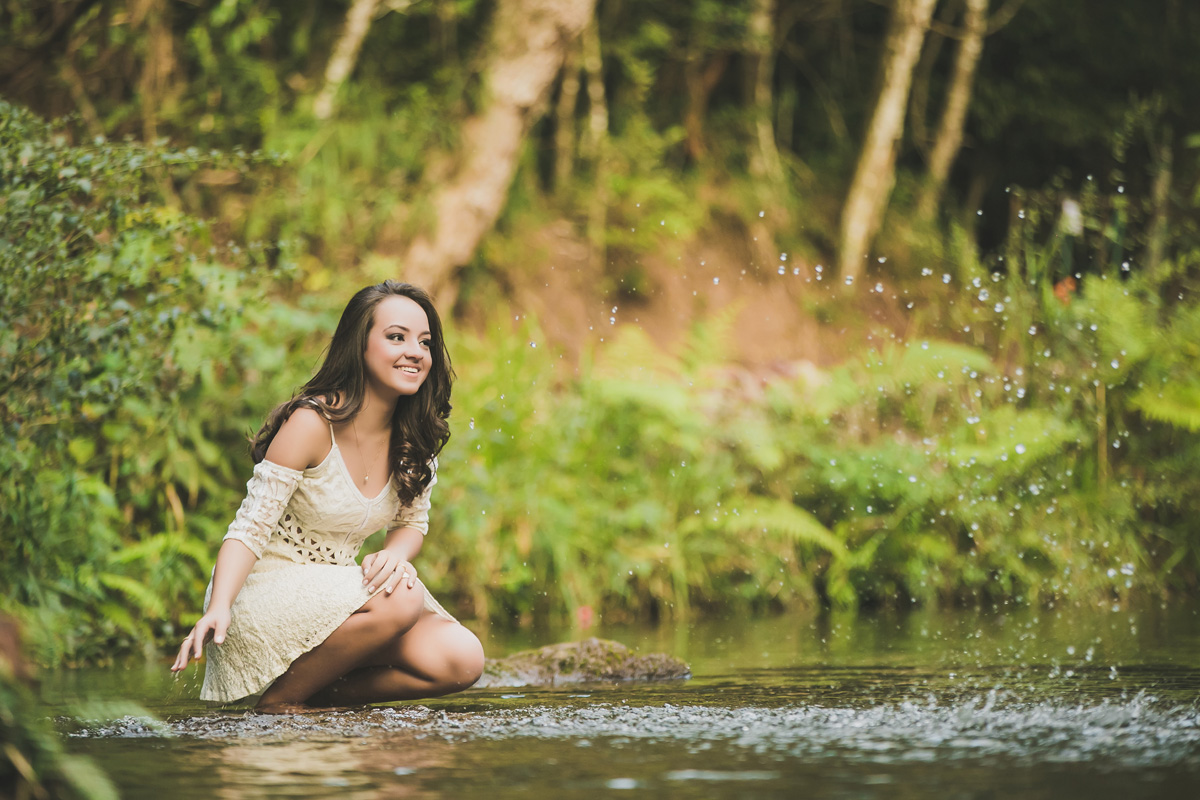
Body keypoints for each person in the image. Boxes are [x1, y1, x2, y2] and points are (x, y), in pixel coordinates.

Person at [171, 281, 484, 712]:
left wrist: (396, 554)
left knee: (463, 659)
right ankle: (280, 703)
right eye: (397, 337)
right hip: (262, 592)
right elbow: (250, 526)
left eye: (425, 342)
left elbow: (412, 523)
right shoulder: (312, 423)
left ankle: (317, 699)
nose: (415, 351)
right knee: (403, 597)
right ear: (360, 346)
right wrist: (219, 605)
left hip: (342, 596)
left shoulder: (416, 436)